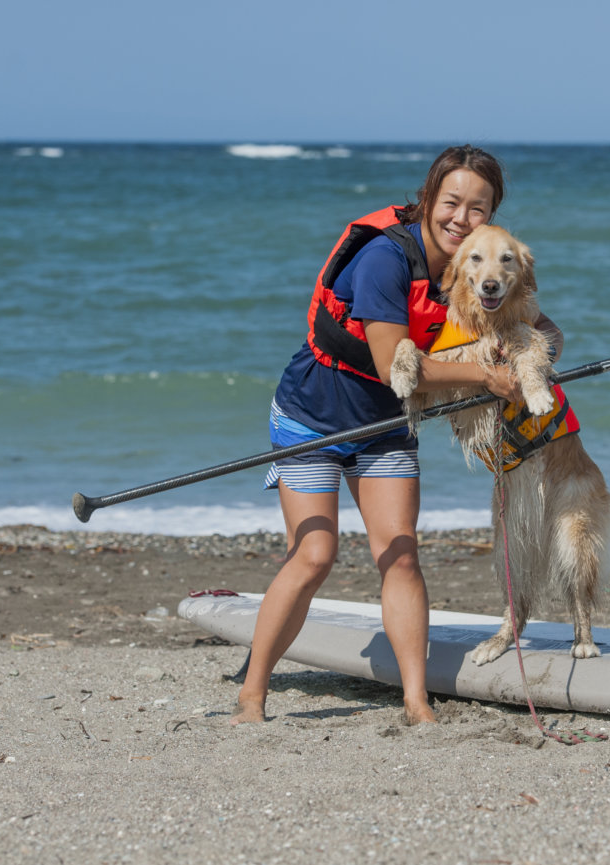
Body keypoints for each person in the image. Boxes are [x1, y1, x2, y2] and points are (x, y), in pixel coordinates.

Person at [232, 145, 562, 725]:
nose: (461, 219)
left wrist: (533, 359)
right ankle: (252, 696)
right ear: (428, 197)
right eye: (451, 202)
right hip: (313, 416)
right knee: (315, 554)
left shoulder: (481, 266)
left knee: (402, 556)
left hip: (385, 426)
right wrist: (486, 376)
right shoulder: (385, 259)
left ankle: (415, 703)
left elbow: (544, 330)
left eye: (478, 208)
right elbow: (393, 367)